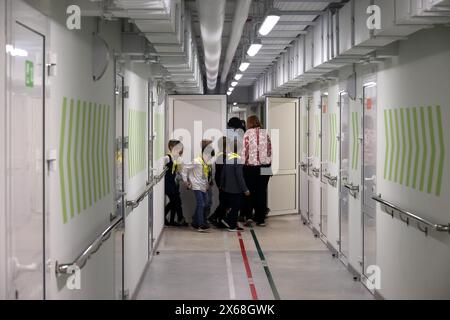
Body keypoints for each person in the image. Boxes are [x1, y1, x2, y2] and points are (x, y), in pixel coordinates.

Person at [242, 115, 272, 227]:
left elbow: (245, 151)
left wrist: (242, 165)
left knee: (249, 192)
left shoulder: (248, 133)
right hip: (265, 167)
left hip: (251, 167)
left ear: (249, 123)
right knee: (262, 192)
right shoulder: (265, 133)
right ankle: (261, 219)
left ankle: (249, 216)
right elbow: (269, 151)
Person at [182, 140, 214, 232]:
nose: (209, 158)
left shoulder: (205, 163)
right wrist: (185, 181)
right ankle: (200, 224)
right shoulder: (196, 161)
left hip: (203, 186)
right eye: (209, 156)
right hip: (196, 186)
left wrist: (207, 183)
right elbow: (185, 168)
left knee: (205, 203)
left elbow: (204, 175)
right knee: (201, 204)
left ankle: (195, 222)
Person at [220, 136, 250, 232]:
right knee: (236, 207)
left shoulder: (228, 158)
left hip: (227, 188)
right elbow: (239, 176)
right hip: (236, 189)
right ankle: (231, 225)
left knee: (232, 206)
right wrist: (245, 189)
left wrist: (222, 185)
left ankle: (229, 220)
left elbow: (223, 174)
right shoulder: (238, 160)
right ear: (240, 149)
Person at [164, 140, 188, 227]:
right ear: (171, 147)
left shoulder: (175, 158)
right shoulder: (167, 158)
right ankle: (167, 216)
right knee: (175, 201)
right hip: (167, 182)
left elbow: (178, 171)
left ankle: (172, 220)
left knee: (175, 201)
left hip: (173, 182)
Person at [208, 137, 228, 227]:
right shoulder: (222, 156)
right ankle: (215, 217)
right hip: (222, 183)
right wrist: (221, 184)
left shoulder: (223, 156)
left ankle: (219, 219)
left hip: (221, 182)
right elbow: (222, 172)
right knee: (224, 202)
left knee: (224, 202)